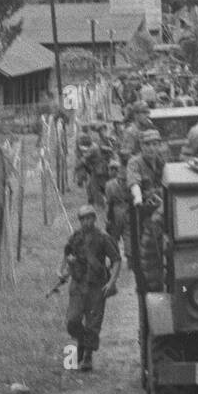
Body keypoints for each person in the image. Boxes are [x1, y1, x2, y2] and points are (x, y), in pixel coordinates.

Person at [59, 204, 121, 372]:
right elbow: (66, 253)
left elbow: (116, 260)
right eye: (83, 219)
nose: (87, 222)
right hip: (78, 286)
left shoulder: (103, 237)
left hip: (96, 287)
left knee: (93, 324)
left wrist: (112, 282)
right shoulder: (75, 237)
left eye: (90, 218)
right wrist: (63, 271)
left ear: (94, 219)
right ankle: (82, 342)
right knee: (72, 321)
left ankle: (87, 356)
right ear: (80, 221)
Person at [127, 128, 168, 291]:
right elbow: (134, 182)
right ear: (141, 147)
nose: (151, 148)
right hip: (143, 212)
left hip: (163, 209)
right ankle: (147, 287)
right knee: (146, 251)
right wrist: (138, 197)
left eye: (155, 144)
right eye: (147, 145)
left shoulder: (162, 160)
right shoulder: (134, 162)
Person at [103, 158, 131, 256]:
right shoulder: (131, 183)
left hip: (117, 211)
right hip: (127, 210)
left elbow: (108, 203)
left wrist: (108, 218)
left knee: (115, 236)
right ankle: (128, 256)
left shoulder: (109, 185)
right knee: (127, 235)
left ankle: (117, 257)